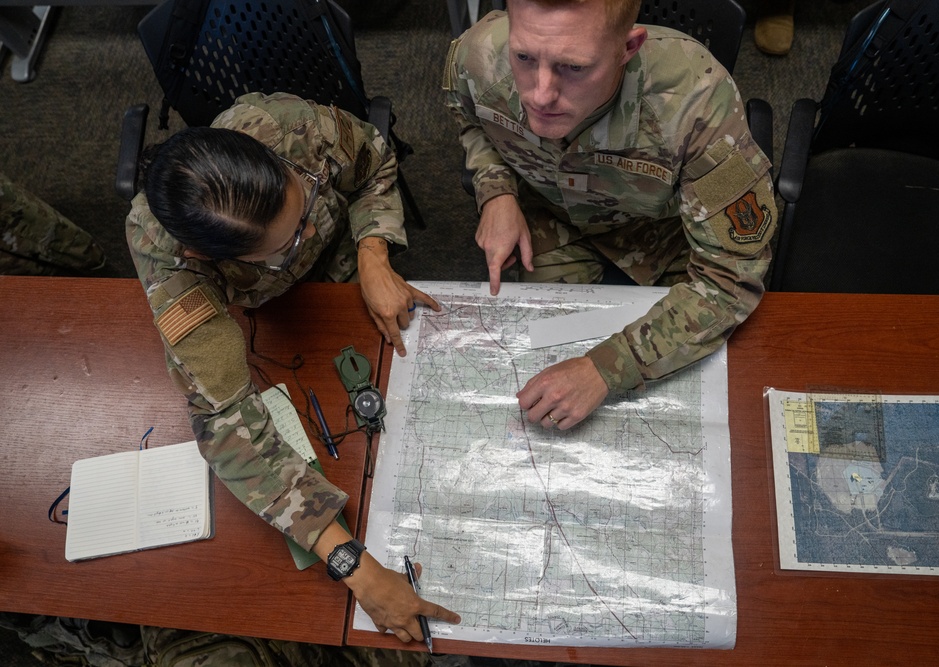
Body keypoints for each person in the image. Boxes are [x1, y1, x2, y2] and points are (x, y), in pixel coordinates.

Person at [126, 91, 459, 646]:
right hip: (270, 313)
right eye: (289, 241)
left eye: (302, 203)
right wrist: (354, 566)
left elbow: (374, 157)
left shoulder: (287, 128)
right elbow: (226, 424)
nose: (304, 229)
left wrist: (373, 253)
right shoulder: (175, 268)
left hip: (345, 270)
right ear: (210, 258)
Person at [444, 0, 775, 429]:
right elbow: (466, 114)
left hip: (665, 239)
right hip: (553, 219)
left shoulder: (695, 102)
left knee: (681, 409)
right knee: (536, 365)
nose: (540, 93)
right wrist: (496, 190)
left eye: (574, 67)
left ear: (628, 47)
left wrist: (606, 368)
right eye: (524, 57)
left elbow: (731, 278)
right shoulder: (480, 52)